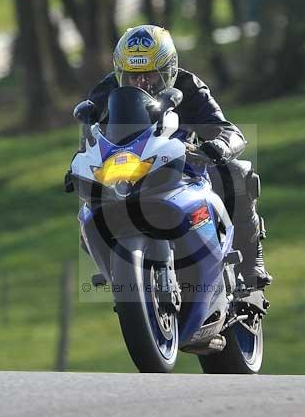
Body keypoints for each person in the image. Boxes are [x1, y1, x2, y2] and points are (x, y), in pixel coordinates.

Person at [80, 23, 272, 290]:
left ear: (169, 71)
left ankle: (251, 261)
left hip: (183, 165)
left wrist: (217, 147)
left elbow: (227, 130)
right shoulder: (106, 90)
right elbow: (89, 138)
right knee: (88, 208)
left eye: (150, 76)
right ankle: (115, 265)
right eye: (133, 77)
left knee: (237, 173)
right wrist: (82, 163)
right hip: (127, 169)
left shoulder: (189, 86)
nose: (141, 83)